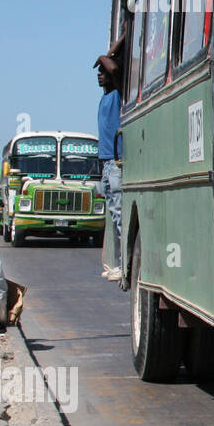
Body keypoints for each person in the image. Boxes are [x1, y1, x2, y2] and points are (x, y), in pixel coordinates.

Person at [95, 40, 125, 281]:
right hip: (105, 163)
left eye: (102, 72)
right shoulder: (105, 98)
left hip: (115, 163)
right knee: (114, 214)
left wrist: (103, 56)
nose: (99, 76)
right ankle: (120, 263)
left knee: (119, 214)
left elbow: (114, 70)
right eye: (98, 73)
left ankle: (124, 265)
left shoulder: (117, 93)